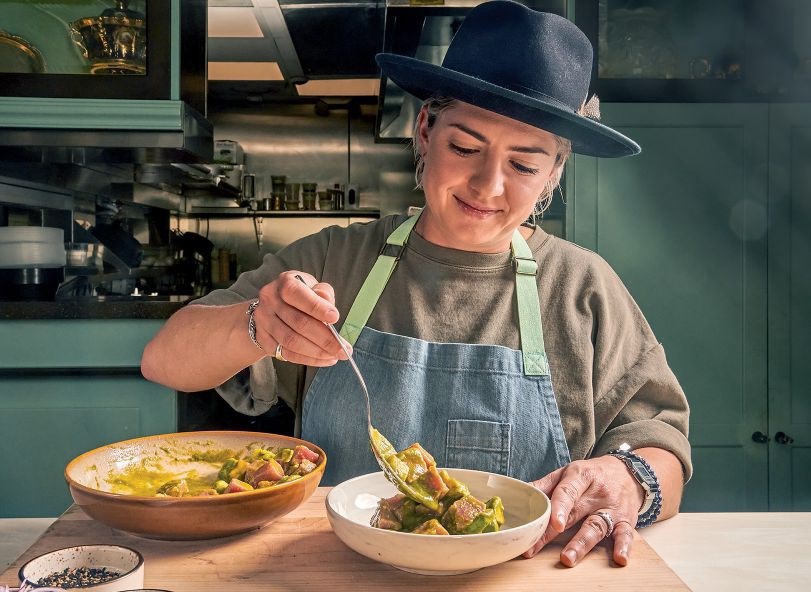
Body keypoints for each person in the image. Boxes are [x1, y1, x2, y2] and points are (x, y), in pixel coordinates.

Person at [142, 0, 691, 568]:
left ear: (554, 171)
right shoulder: (335, 259)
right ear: (426, 129)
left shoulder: (583, 286)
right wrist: (258, 323)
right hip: (339, 572)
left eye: (524, 165)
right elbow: (164, 360)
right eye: (465, 148)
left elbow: (666, 451)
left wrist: (630, 478)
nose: (487, 185)